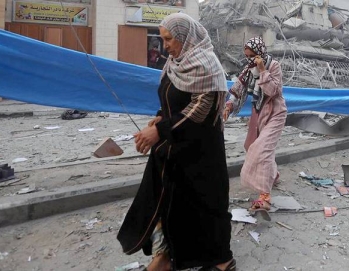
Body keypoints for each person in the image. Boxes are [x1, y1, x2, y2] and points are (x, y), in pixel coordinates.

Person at [117, 13, 236, 271]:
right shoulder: (174, 63)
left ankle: (224, 262)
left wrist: (160, 129)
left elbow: (200, 110)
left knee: (207, 206)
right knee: (170, 202)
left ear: (184, 36)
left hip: (201, 152)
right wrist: (159, 118)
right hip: (175, 146)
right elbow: (171, 100)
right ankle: (167, 257)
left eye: (169, 38)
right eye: (163, 39)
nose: (165, 45)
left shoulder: (207, 65)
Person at [223, 37, 287, 211]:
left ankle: (264, 196)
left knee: (261, 149)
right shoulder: (248, 69)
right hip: (258, 112)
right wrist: (229, 104)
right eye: (247, 56)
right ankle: (272, 175)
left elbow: (273, 91)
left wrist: (262, 70)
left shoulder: (273, 66)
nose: (249, 59)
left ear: (260, 53)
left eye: (252, 56)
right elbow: (238, 88)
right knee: (251, 145)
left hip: (274, 113)